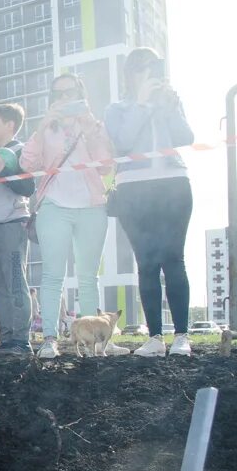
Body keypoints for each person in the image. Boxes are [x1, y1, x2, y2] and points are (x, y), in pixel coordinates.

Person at [20, 73, 120, 359]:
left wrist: (90, 126)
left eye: (70, 92)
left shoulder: (93, 126)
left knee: (89, 276)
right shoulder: (46, 129)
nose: (64, 97)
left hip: (91, 206)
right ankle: (50, 338)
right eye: (58, 93)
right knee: (52, 275)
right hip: (53, 205)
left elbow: (105, 166)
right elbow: (27, 163)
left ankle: (95, 343)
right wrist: (41, 126)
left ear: (81, 93)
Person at [105, 47, 194, 358]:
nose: (150, 73)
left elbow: (186, 136)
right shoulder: (117, 109)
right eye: (143, 67)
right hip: (134, 190)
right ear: (130, 73)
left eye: (154, 67)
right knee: (147, 263)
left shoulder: (167, 101)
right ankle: (155, 337)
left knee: (173, 259)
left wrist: (168, 106)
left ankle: (182, 335)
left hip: (173, 184)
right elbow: (124, 142)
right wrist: (141, 104)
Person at [0, 104, 36, 355]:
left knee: (14, 282)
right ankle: (8, 338)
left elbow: (28, 187)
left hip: (12, 226)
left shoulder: (20, 151)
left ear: (10, 125)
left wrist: (5, 171)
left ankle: (22, 340)